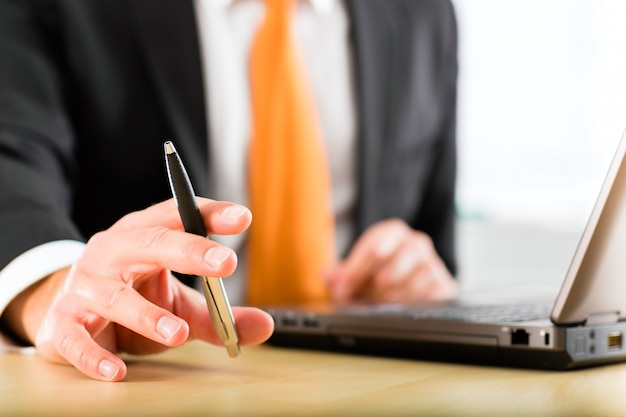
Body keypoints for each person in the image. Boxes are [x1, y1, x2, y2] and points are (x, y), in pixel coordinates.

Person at [0, 0, 459, 381]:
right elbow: (12, 162)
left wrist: (424, 285)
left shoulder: (424, 13)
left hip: (367, 384)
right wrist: (53, 289)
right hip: (165, 379)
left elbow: (432, 236)